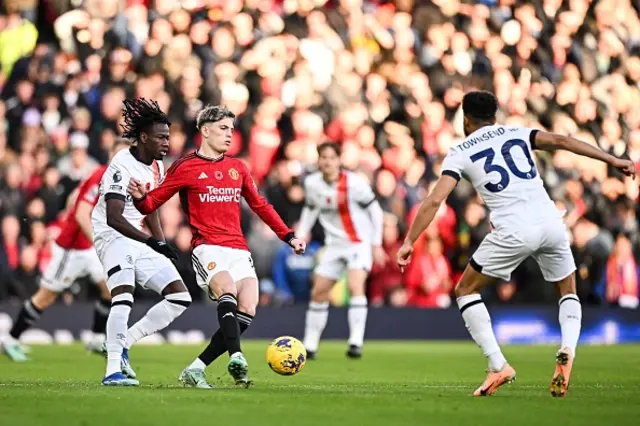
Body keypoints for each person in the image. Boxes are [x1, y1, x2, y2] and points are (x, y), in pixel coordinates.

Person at [397, 91, 636, 398]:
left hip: (513, 228)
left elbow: (433, 200)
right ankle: (567, 348)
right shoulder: (518, 133)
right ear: (495, 117)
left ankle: (498, 364)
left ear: (465, 120)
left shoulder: (460, 151)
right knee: (568, 290)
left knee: (465, 290)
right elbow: (563, 141)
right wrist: (612, 159)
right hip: (551, 221)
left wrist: (409, 241)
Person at [127, 105, 306, 388]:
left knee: (248, 308)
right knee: (227, 291)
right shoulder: (186, 167)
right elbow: (152, 203)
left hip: (238, 248)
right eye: (223, 128)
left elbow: (260, 205)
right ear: (205, 130)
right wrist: (140, 198)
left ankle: (196, 368)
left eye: (232, 129)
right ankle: (237, 357)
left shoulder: (238, 168)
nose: (229, 135)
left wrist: (288, 236)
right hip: (207, 246)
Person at [1, 138, 132, 362]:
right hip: (70, 249)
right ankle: (11, 338)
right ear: (111, 156)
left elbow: (77, 198)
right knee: (46, 297)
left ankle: (95, 337)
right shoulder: (100, 176)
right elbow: (79, 210)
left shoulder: (120, 179)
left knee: (110, 287)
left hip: (89, 247)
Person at [92, 98, 192, 386]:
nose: (166, 142)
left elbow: (150, 208)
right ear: (144, 137)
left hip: (138, 234)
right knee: (123, 293)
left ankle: (124, 344)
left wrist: (161, 242)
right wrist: (152, 241)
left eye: (168, 136)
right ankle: (112, 371)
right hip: (112, 235)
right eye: (161, 137)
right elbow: (113, 217)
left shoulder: (158, 166)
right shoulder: (122, 163)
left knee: (179, 297)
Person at [295, 142, 384, 360]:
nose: (327, 162)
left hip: (358, 242)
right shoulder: (312, 183)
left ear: (339, 160)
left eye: (331, 157)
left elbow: (376, 210)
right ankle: (310, 345)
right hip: (334, 245)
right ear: (318, 160)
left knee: (355, 286)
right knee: (319, 291)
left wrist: (376, 243)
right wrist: (299, 236)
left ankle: (355, 342)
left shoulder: (354, 184)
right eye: (323, 157)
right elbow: (310, 209)